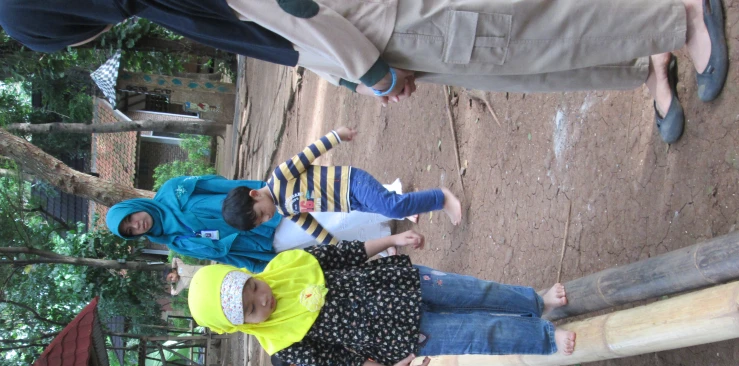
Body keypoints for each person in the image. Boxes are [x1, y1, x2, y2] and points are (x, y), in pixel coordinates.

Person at [0, 0, 727, 144]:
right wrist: (354, 75)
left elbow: (281, 7)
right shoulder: (149, 1)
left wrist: (367, 69)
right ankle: (645, 64)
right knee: (519, 63)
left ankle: (682, 18)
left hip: (374, 20)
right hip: (363, 37)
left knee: (515, 34)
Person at [187, 230, 576, 366]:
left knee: (477, 292)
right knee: (478, 334)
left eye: (253, 287)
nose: (263, 298)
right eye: (252, 309)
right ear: (243, 326)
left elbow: (345, 254)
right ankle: (544, 337)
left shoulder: (286, 266)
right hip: (401, 336)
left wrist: (392, 238)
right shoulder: (283, 345)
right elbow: (343, 363)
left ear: (246, 274)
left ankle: (536, 301)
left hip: (401, 283)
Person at [221, 126, 462, 245]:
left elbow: (308, 154)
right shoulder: (285, 210)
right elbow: (311, 226)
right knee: (389, 205)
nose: (266, 218)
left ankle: (441, 198)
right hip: (350, 203)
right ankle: (414, 203)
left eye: (261, 214)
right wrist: (335, 244)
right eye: (261, 222)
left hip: (351, 183)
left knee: (392, 208)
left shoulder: (280, 176)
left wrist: (336, 135)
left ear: (254, 194)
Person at [105, 175, 393, 272]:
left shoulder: (174, 190)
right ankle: (380, 230)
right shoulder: (174, 242)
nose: (136, 225)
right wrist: (259, 267)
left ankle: (390, 200)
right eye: (130, 231)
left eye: (130, 218)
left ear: (133, 207)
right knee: (321, 237)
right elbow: (226, 256)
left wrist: (263, 192)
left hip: (264, 210)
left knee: (323, 211)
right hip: (260, 243)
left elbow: (223, 186)